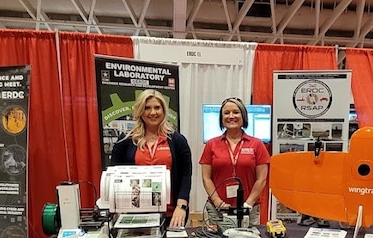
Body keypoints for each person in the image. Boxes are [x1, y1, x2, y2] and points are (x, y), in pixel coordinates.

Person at [110, 89, 191, 229]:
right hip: (134, 213)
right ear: (140, 111)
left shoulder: (177, 140)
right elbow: (114, 175)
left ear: (164, 110)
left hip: (171, 213)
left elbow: (186, 175)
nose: (153, 112)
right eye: (147, 108)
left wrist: (181, 206)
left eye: (157, 107)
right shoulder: (125, 141)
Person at [199, 97, 270, 225]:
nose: (231, 116)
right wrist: (217, 202)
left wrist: (248, 204)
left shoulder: (257, 144)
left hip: (248, 210)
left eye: (236, 112)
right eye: (226, 113)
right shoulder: (211, 144)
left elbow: (262, 179)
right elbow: (206, 178)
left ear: (243, 116)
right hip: (217, 211)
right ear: (221, 118)